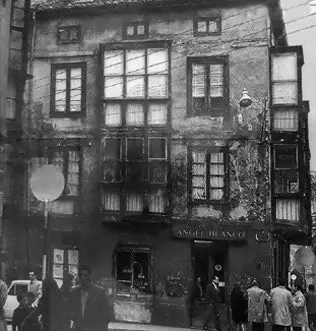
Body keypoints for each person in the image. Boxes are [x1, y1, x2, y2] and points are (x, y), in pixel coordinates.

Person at [69, 265, 113, 331]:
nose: (83, 277)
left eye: (85, 275)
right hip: (79, 327)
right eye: (81, 275)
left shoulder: (99, 292)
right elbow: (70, 310)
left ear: (89, 276)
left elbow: (107, 314)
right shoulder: (75, 292)